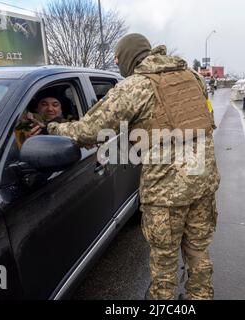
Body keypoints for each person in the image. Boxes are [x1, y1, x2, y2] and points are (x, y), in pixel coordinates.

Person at [47, 33, 220, 300]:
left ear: (127, 57)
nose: (118, 65)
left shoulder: (136, 86)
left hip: (166, 194)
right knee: (198, 252)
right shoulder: (194, 78)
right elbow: (206, 119)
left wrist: (54, 128)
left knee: (164, 266)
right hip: (203, 184)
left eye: (118, 60)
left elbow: (89, 130)